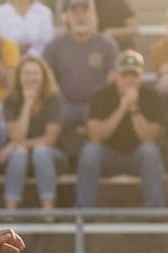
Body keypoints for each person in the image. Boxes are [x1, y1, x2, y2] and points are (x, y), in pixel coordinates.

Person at [75, 49, 166, 209]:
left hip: (137, 158)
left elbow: (150, 138)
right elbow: (96, 136)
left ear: (141, 76)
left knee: (150, 151)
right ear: (116, 75)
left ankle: (155, 213)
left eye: (134, 75)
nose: (129, 80)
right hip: (107, 156)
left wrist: (134, 109)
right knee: (90, 151)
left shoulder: (152, 96)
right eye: (125, 75)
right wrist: (122, 108)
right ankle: (84, 213)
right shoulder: (101, 95)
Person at [44, 0, 118, 157]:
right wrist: (60, 101)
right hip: (65, 104)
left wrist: (98, 104)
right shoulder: (54, 46)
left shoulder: (107, 44)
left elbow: (113, 79)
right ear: (67, 17)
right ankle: (61, 158)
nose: (80, 17)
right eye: (75, 12)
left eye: (85, 12)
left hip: (97, 105)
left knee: (100, 121)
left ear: (95, 16)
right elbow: (47, 80)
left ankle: (102, 158)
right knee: (56, 117)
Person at [0, 55, 65, 214]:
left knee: (40, 151)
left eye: (35, 73)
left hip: (51, 156)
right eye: (26, 73)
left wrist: (14, 145)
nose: (31, 78)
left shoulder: (54, 99)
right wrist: (27, 105)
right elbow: (17, 136)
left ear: (43, 76)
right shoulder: (10, 100)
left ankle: (48, 212)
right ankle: (11, 213)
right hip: (19, 159)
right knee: (19, 154)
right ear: (19, 77)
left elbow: (49, 139)